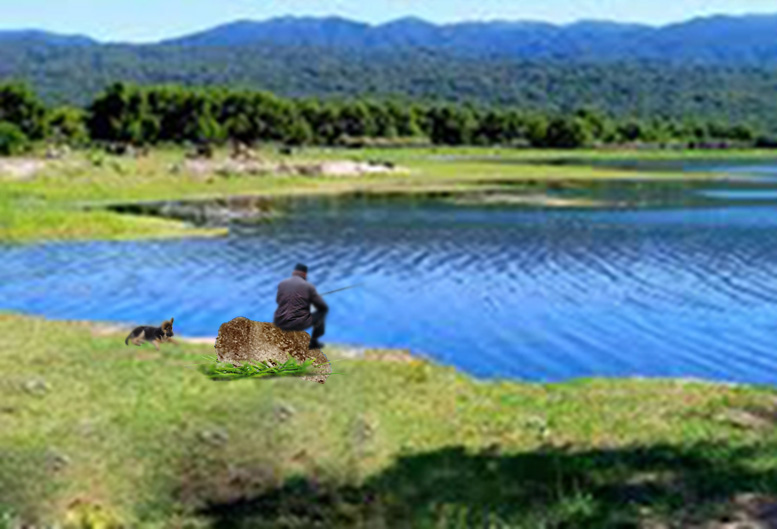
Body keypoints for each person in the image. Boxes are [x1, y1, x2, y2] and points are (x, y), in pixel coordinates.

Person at [274, 263, 329, 350]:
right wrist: (311, 300)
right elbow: (322, 306)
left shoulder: (282, 284)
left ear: (293, 272)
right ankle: (314, 342)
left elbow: (278, 300)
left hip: (280, 321)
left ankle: (283, 336)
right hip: (297, 323)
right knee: (323, 311)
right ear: (304, 274)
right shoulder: (308, 286)